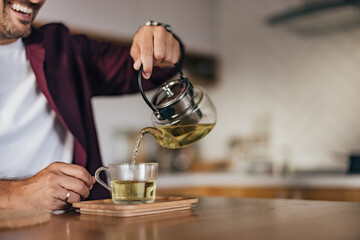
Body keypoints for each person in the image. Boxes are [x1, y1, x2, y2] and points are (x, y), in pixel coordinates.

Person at [0, 0, 183, 211]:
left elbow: (154, 69)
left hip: (77, 228)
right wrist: (18, 193)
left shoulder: (62, 49)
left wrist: (159, 43)